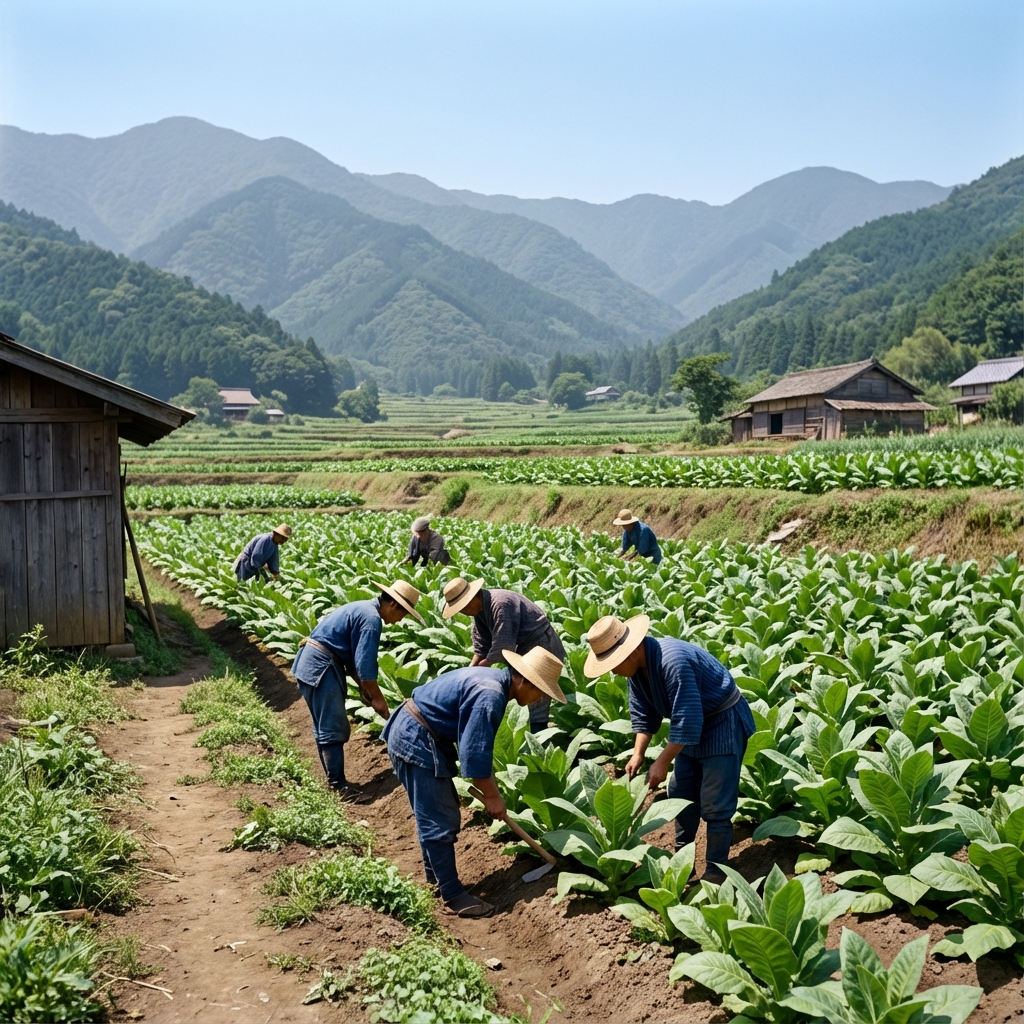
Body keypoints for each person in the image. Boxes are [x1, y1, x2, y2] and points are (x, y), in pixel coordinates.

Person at [382, 646, 567, 917]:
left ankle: (436, 882)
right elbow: (474, 754)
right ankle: (453, 895)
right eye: (540, 690)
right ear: (524, 680)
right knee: (439, 820)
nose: (540, 698)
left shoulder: (494, 682)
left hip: (416, 732)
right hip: (417, 739)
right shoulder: (490, 695)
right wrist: (493, 796)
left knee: (433, 816)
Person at [582, 613, 754, 883]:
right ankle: (683, 861)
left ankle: (716, 870)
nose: (612, 670)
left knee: (715, 802)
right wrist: (639, 752)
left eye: (614, 664)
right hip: (691, 727)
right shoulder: (636, 670)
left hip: (722, 722)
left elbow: (688, 719)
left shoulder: (672, 661)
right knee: (680, 792)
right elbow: (643, 713)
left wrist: (661, 762)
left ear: (633, 649)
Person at [290, 580, 424, 803]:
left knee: (325, 726)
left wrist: (364, 688)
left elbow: (351, 657)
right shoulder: (371, 619)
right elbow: (365, 666)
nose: (400, 620)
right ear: (393, 605)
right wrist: (379, 699)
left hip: (312, 665)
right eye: (403, 614)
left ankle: (334, 783)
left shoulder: (362, 608)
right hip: (320, 668)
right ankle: (339, 787)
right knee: (332, 727)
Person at [441, 577, 566, 734]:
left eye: (463, 607)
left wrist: (478, 671)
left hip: (541, 645)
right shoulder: (479, 611)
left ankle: (539, 738)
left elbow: (503, 646)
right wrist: (468, 673)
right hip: (520, 648)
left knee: (535, 696)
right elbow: (481, 646)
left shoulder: (501, 604)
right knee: (517, 693)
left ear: (474, 596)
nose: (462, 612)